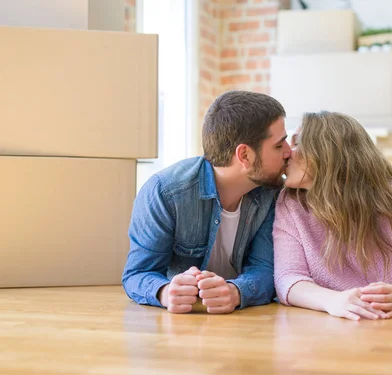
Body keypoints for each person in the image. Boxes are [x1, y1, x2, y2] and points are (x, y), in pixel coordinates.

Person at [122, 90, 291, 314]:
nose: (290, 153)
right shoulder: (164, 193)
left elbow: (266, 269)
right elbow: (137, 274)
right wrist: (165, 292)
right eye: (279, 146)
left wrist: (236, 292)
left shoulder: (272, 194)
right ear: (245, 156)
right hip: (182, 325)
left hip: (248, 323)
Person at [273, 111, 392, 321]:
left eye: (298, 143)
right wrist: (332, 301)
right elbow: (287, 278)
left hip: (389, 325)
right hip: (323, 325)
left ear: (328, 154)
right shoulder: (290, 203)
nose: (288, 152)